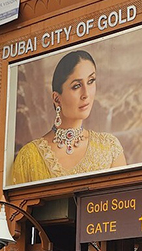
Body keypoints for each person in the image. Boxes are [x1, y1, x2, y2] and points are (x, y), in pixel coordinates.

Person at [8, 50, 127, 185]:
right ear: (57, 99)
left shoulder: (109, 148)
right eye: (76, 86)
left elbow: (126, 203)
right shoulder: (29, 157)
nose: (86, 94)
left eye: (91, 81)